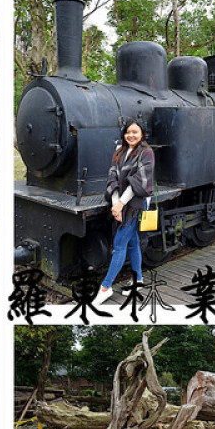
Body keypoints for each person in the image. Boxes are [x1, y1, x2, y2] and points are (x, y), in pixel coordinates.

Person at [93, 119, 155, 305]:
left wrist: (120, 204)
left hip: (135, 204)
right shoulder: (119, 151)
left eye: (135, 132)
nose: (131, 135)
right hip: (120, 203)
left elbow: (139, 183)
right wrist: (115, 204)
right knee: (132, 242)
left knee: (119, 244)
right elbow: (112, 177)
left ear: (142, 134)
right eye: (128, 132)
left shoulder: (147, 153)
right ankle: (137, 280)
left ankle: (106, 287)